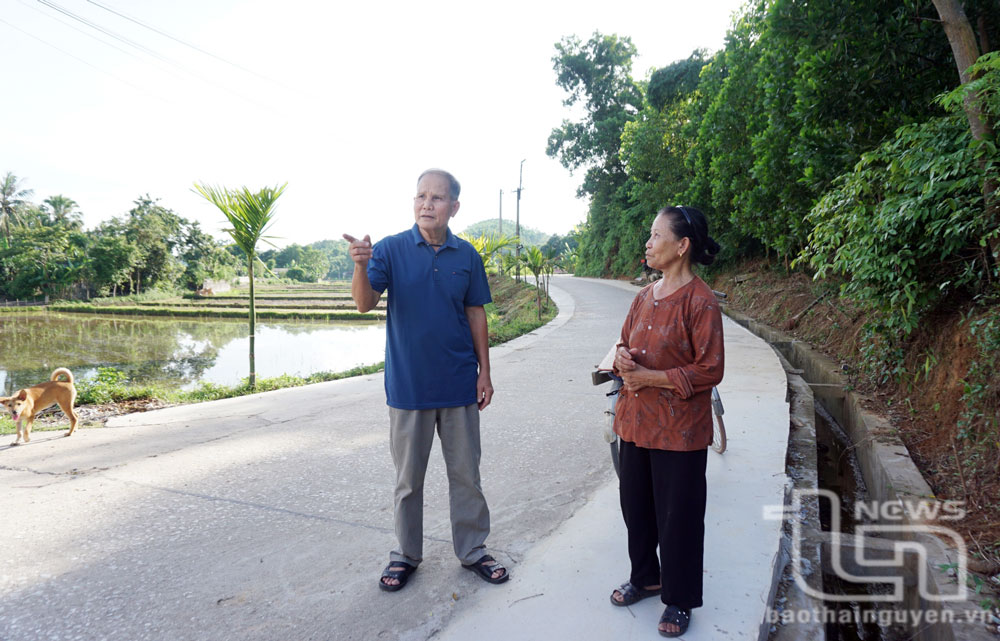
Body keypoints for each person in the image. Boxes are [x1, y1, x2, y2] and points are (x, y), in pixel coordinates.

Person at [343, 168, 509, 593]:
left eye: (437, 198)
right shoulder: (391, 250)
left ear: (454, 207)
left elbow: (476, 313)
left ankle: (473, 550)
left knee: (466, 475)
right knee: (408, 480)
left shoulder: (466, 255)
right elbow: (364, 303)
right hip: (409, 387)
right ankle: (405, 555)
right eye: (420, 196)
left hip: (458, 385)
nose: (426, 205)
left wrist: (485, 371)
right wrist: (361, 266)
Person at [608, 205, 723, 637]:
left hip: (680, 430)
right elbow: (624, 342)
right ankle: (646, 577)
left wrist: (651, 377)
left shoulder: (701, 302)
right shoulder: (643, 296)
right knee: (636, 507)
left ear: (682, 246)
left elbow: (710, 369)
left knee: (680, 517)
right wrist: (622, 357)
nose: (649, 243)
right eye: (650, 235)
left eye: (657, 236)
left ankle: (678, 598)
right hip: (635, 422)